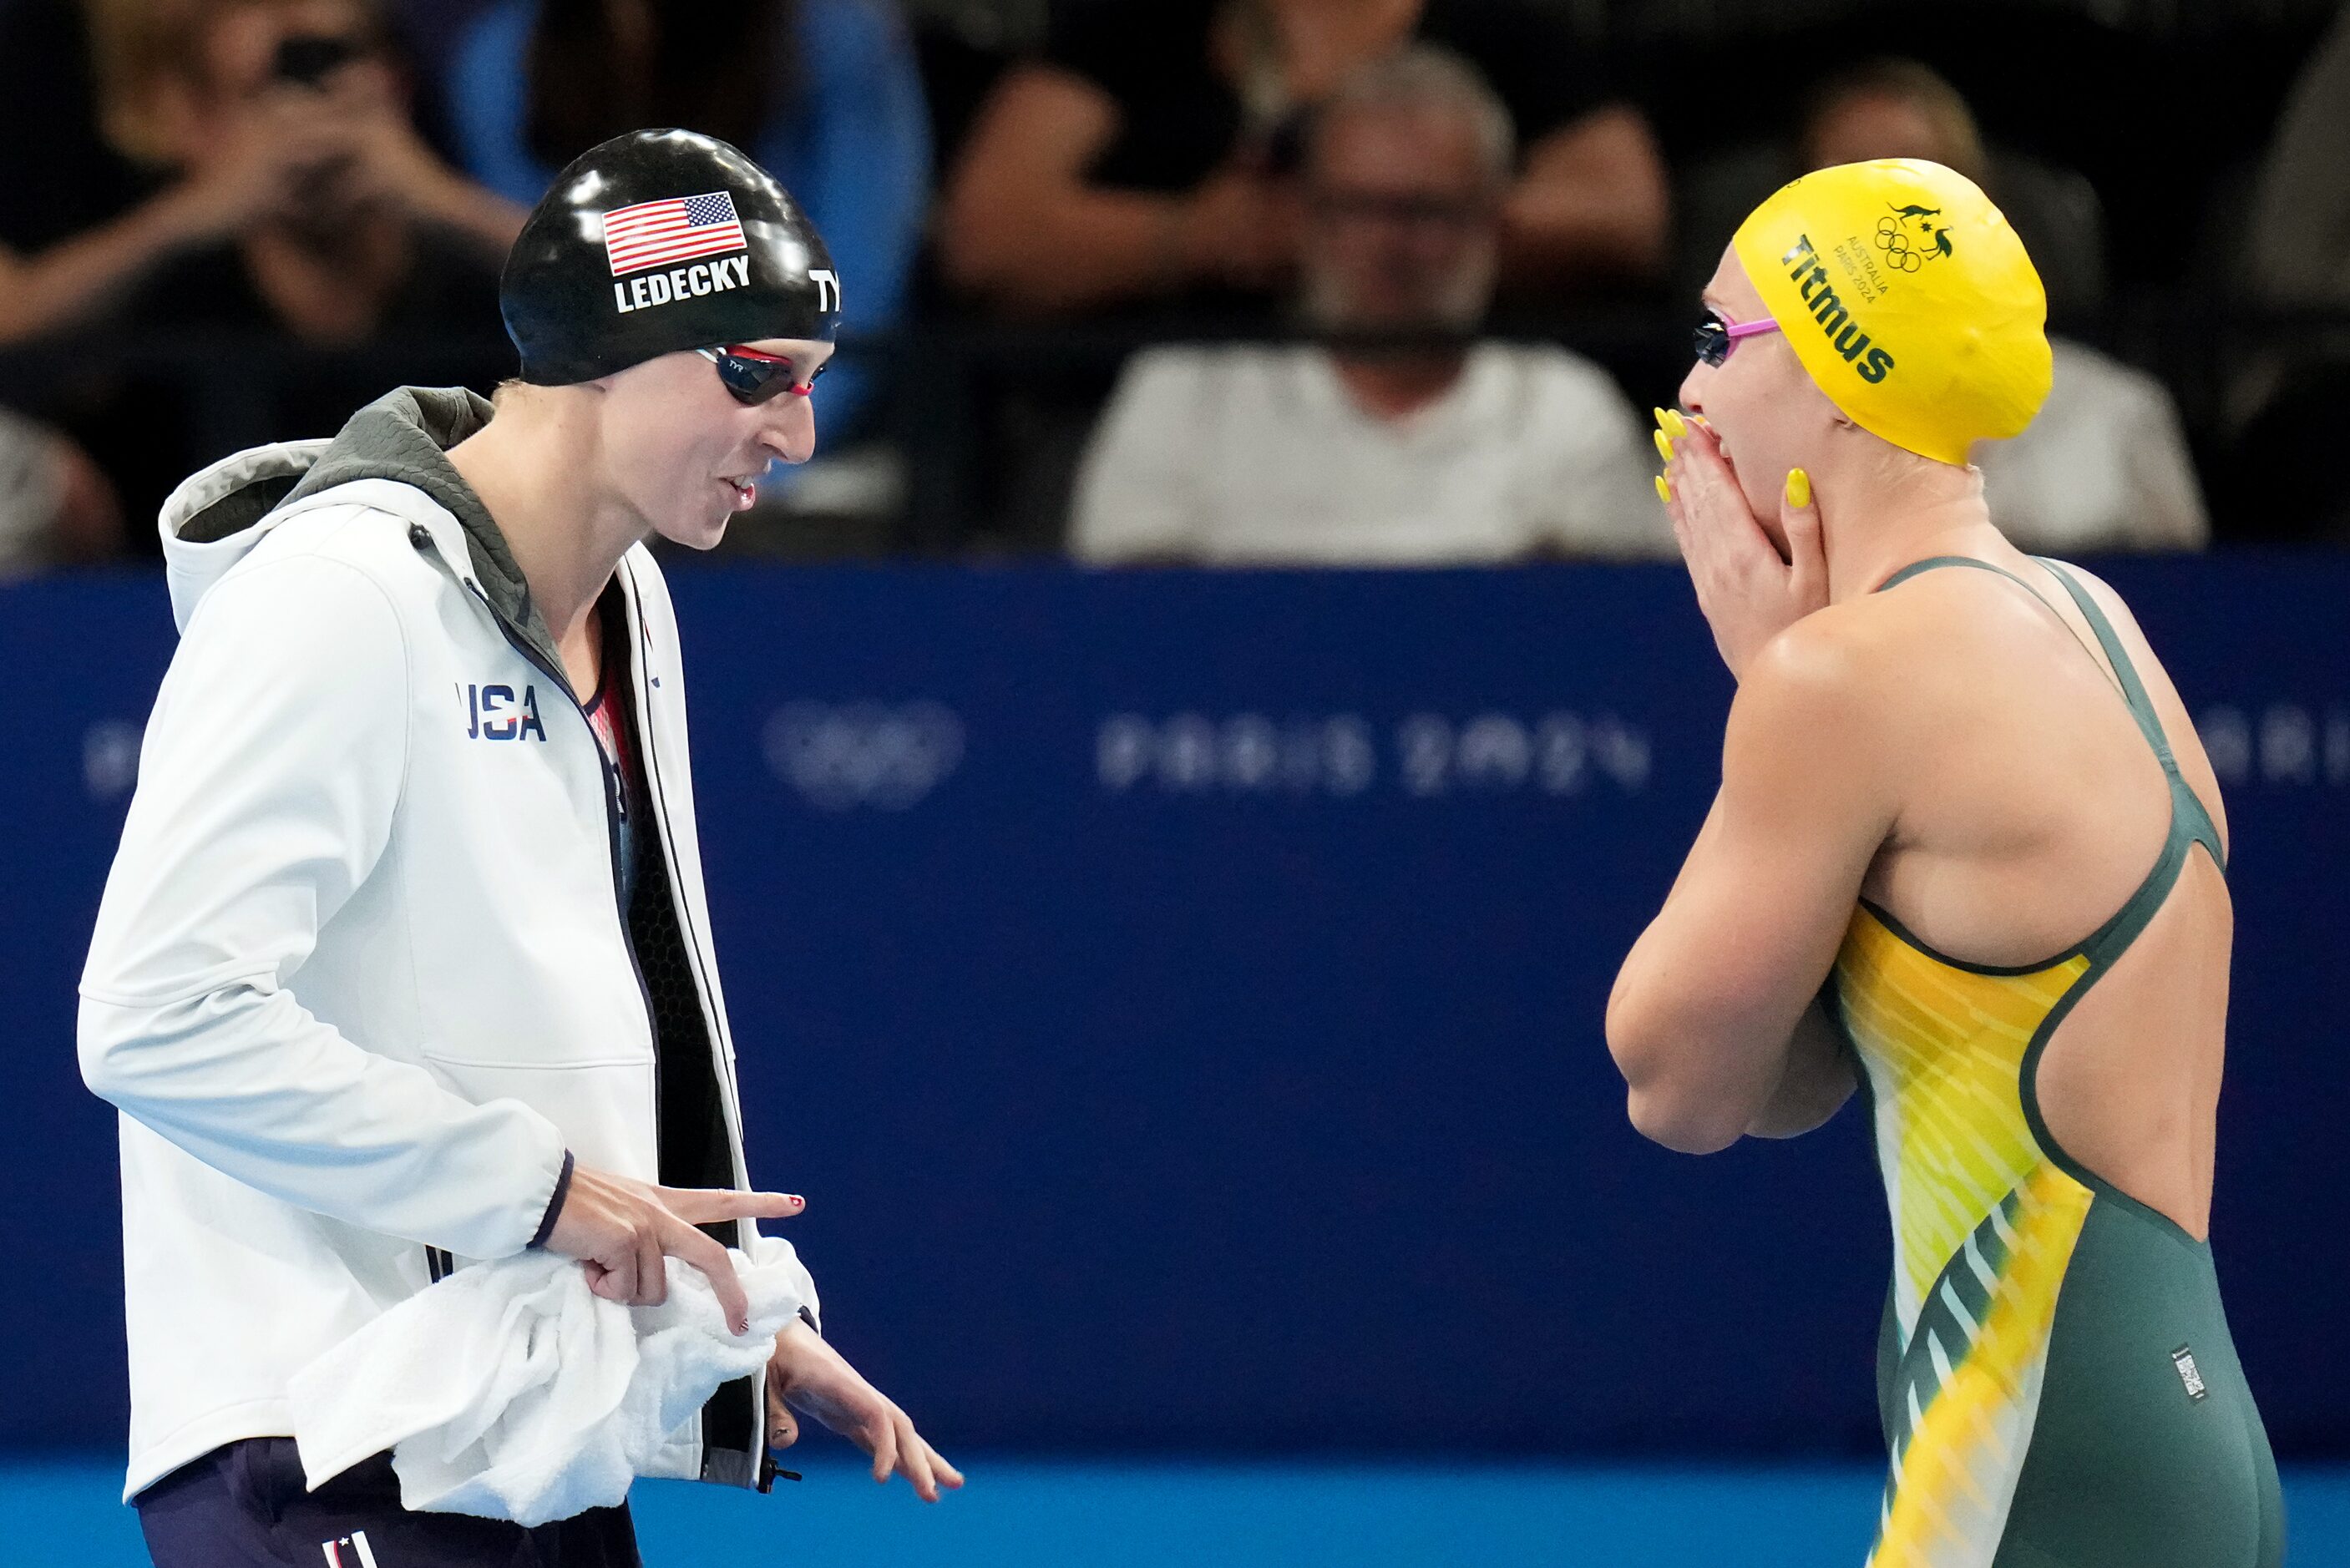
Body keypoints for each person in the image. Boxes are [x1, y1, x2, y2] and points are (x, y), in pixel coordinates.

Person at [79, 129, 957, 1567]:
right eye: (754, 373)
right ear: (603, 347)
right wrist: (542, 1196)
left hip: (530, 1442)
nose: (794, 434)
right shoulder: (340, 594)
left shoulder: (637, 605)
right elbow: (154, 1018)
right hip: (323, 1438)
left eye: (806, 382)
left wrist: (729, 1311)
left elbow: (555, 1029)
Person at [1608, 159, 2281, 1566]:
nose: (1688, 405)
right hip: (2164, 1436)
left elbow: (1670, 1080)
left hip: (2037, 1448)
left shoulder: (1850, 679)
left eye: (1712, 344)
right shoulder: (2084, 617)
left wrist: (1767, 685)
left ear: (1830, 369)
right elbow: (1792, 1075)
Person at [1070, 45, 1660, 565]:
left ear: (1491, 220)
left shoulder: (1568, 411)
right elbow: (1123, 636)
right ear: (1304, 215)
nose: (1388, 244)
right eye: (1357, 208)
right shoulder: (1183, 396)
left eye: (1424, 211)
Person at [939, 0, 1668, 318]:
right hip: (1180, 394)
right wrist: (1195, 237)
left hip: (1460, 394)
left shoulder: (1502, 33)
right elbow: (988, 232)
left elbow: (1625, 216)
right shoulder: (1135, 30)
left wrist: (1410, 219)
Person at [444, 0, 931, 441]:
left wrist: (752, 450)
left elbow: (853, 296)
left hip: (805, 451)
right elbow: (563, 289)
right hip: (591, 436)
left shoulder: (832, 33)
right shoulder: (501, 54)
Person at [1795, 58, 2207, 553]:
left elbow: (2188, 610)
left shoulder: (2117, 415)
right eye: (1848, 177)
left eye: (1915, 172)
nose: (1885, 209)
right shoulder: (1744, 412)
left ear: (1979, 201)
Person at [0, 0, 523, 346]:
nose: (307, 129)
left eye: (330, 80)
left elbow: (608, 283)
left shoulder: (495, 281)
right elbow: (16, 323)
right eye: (262, 95)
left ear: (394, 89)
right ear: (190, 122)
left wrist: (440, 200)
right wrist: (190, 215)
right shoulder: (162, 297)